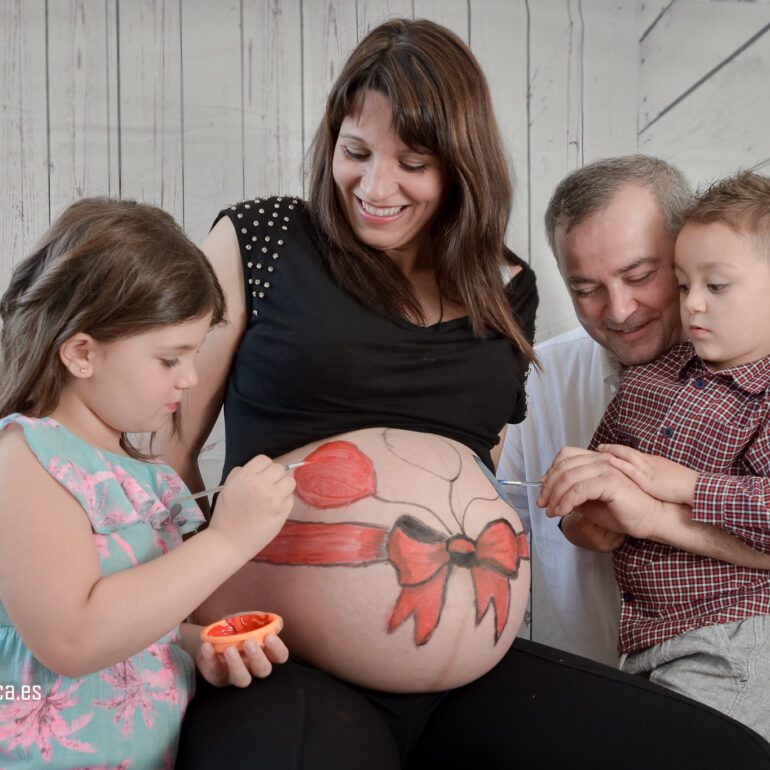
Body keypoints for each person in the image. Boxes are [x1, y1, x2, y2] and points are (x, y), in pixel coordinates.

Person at [169, 20, 770, 770]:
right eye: (355, 152)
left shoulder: (505, 286)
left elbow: (477, 466)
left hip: (469, 672)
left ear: (461, 166)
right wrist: (178, 627)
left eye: (412, 163)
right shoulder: (261, 238)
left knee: (724, 757)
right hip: (284, 655)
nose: (374, 186)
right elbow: (167, 455)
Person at [0, 198, 296, 769]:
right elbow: (73, 639)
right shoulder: (28, 459)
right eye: (170, 359)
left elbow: (136, 623)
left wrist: (197, 645)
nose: (190, 378)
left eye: (194, 355)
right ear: (82, 354)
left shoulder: (144, 476)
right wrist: (229, 540)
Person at [547, 171, 770, 740]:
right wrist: (583, 519)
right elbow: (593, 489)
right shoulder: (647, 381)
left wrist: (686, 487)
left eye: (715, 286)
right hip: (645, 641)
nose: (693, 304)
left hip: (737, 634)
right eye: (684, 282)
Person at [499, 155, 691, 664]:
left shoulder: (757, 378)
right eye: (586, 289)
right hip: (584, 686)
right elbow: (494, 534)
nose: (619, 310)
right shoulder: (535, 382)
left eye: (640, 275)